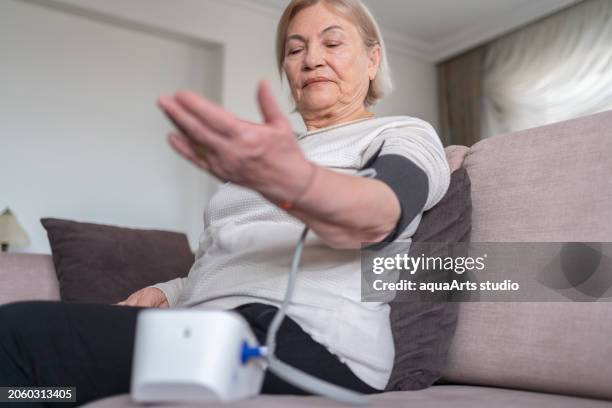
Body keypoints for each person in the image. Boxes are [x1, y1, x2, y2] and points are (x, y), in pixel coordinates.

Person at [0, 0, 450, 405]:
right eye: (294, 51)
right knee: (39, 385)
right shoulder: (267, 156)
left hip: (312, 342)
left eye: (332, 43)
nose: (312, 59)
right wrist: (170, 291)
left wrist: (296, 184)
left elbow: (379, 214)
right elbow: (223, 260)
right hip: (212, 325)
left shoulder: (401, 134)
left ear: (373, 60)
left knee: (19, 337)